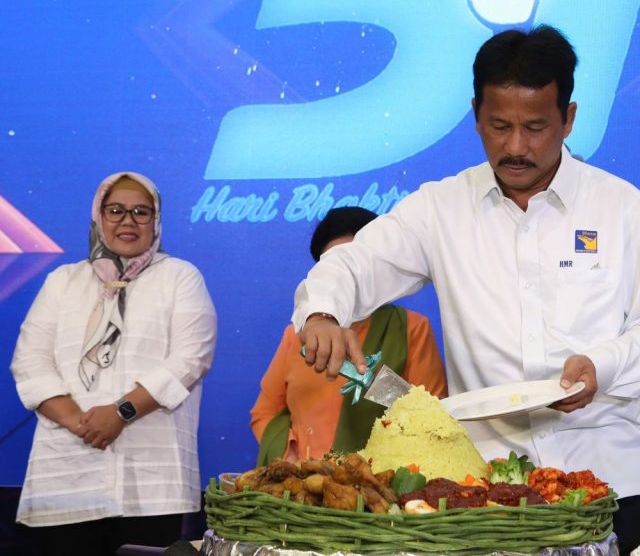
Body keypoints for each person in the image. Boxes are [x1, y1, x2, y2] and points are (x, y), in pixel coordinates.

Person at [291, 25, 640, 553]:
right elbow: (354, 262)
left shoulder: (622, 207)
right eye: (499, 126)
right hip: (488, 494)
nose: (516, 147)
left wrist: (604, 364)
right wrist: (322, 313)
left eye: (535, 127)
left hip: (615, 476)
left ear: (569, 118)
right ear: (476, 114)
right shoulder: (440, 209)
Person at [10, 172, 217, 556]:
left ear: (156, 220)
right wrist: (81, 422)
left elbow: (191, 358)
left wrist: (120, 413)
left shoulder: (180, 277)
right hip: (66, 475)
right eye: (116, 210)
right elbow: (30, 360)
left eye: (141, 212)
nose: (128, 221)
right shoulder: (63, 281)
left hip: (152, 481)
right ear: (99, 216)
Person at [249, 206, 447, 463]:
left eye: (355, 266)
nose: (347, 277)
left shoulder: (411, 328)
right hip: (304, 480)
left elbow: (433, 420)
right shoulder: (297, 336)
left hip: (379, 481)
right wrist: (293, 459)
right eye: (336, 267)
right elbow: (264, 413)